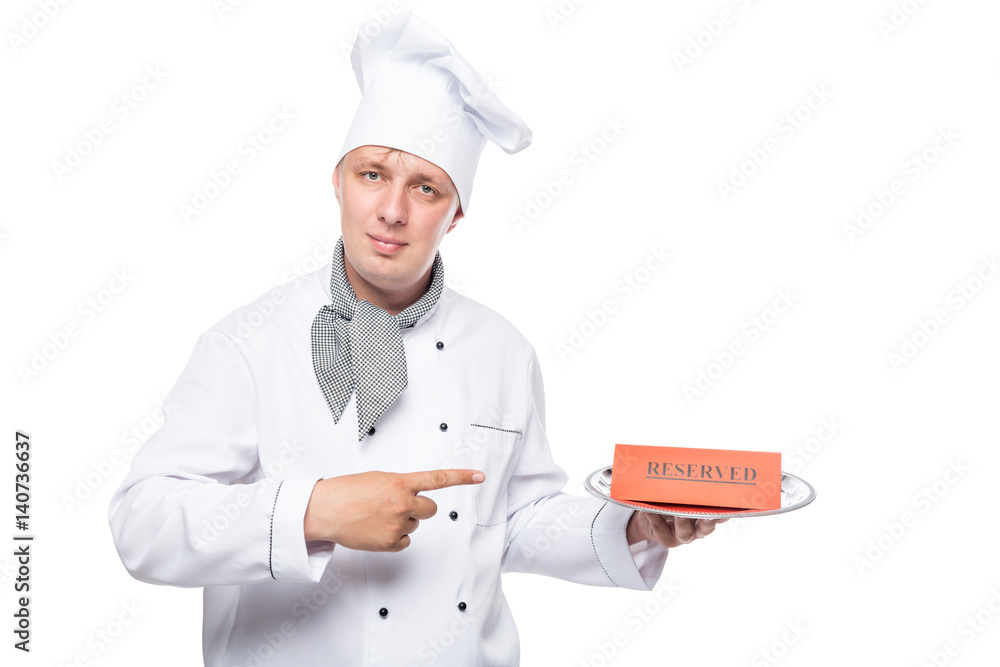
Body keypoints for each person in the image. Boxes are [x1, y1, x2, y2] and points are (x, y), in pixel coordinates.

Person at [109, 12, 725, 666]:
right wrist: (312, 512)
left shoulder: (502, 351)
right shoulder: (246, 345)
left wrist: (636, 525)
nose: (393, 210)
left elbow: (512, 520)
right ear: (339, 181)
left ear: (455, 212)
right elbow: (142, 524)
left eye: (425, 187)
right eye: (373, 173)